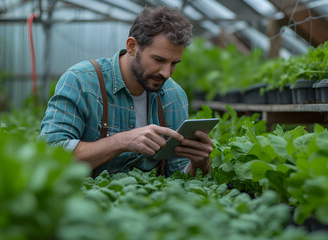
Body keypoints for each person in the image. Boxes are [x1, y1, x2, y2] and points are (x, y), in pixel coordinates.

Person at [39, 6, 213, 177]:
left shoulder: (174, 97)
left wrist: (199, 164)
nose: (166, 73)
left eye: (174, 63)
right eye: (159, 59)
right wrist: (122, 141)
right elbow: (50, 155)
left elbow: (177, 175)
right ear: (132, 47)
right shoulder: (81, 81)